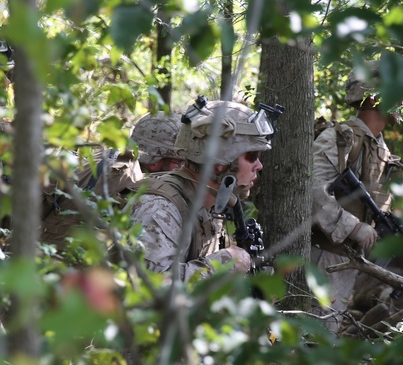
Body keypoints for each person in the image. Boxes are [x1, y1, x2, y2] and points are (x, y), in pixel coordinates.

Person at [129, 99, 273, 279]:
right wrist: (224, 264)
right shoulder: (160, 209)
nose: (259, 166)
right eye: (252, 156)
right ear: (220, 162)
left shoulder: (209, 204)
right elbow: (149, 287)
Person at [310, 62, 403, 330]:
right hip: (326, 254)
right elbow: (314, 191)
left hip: (354, 255)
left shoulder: (380, 148)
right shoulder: (339, 139)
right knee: (319, 335)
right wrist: (353, 227)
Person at [41, 113, 184, 248]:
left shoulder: (112, 156)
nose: (180, 168)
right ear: (154, 159)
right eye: (177, 162)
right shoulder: (122, 176)